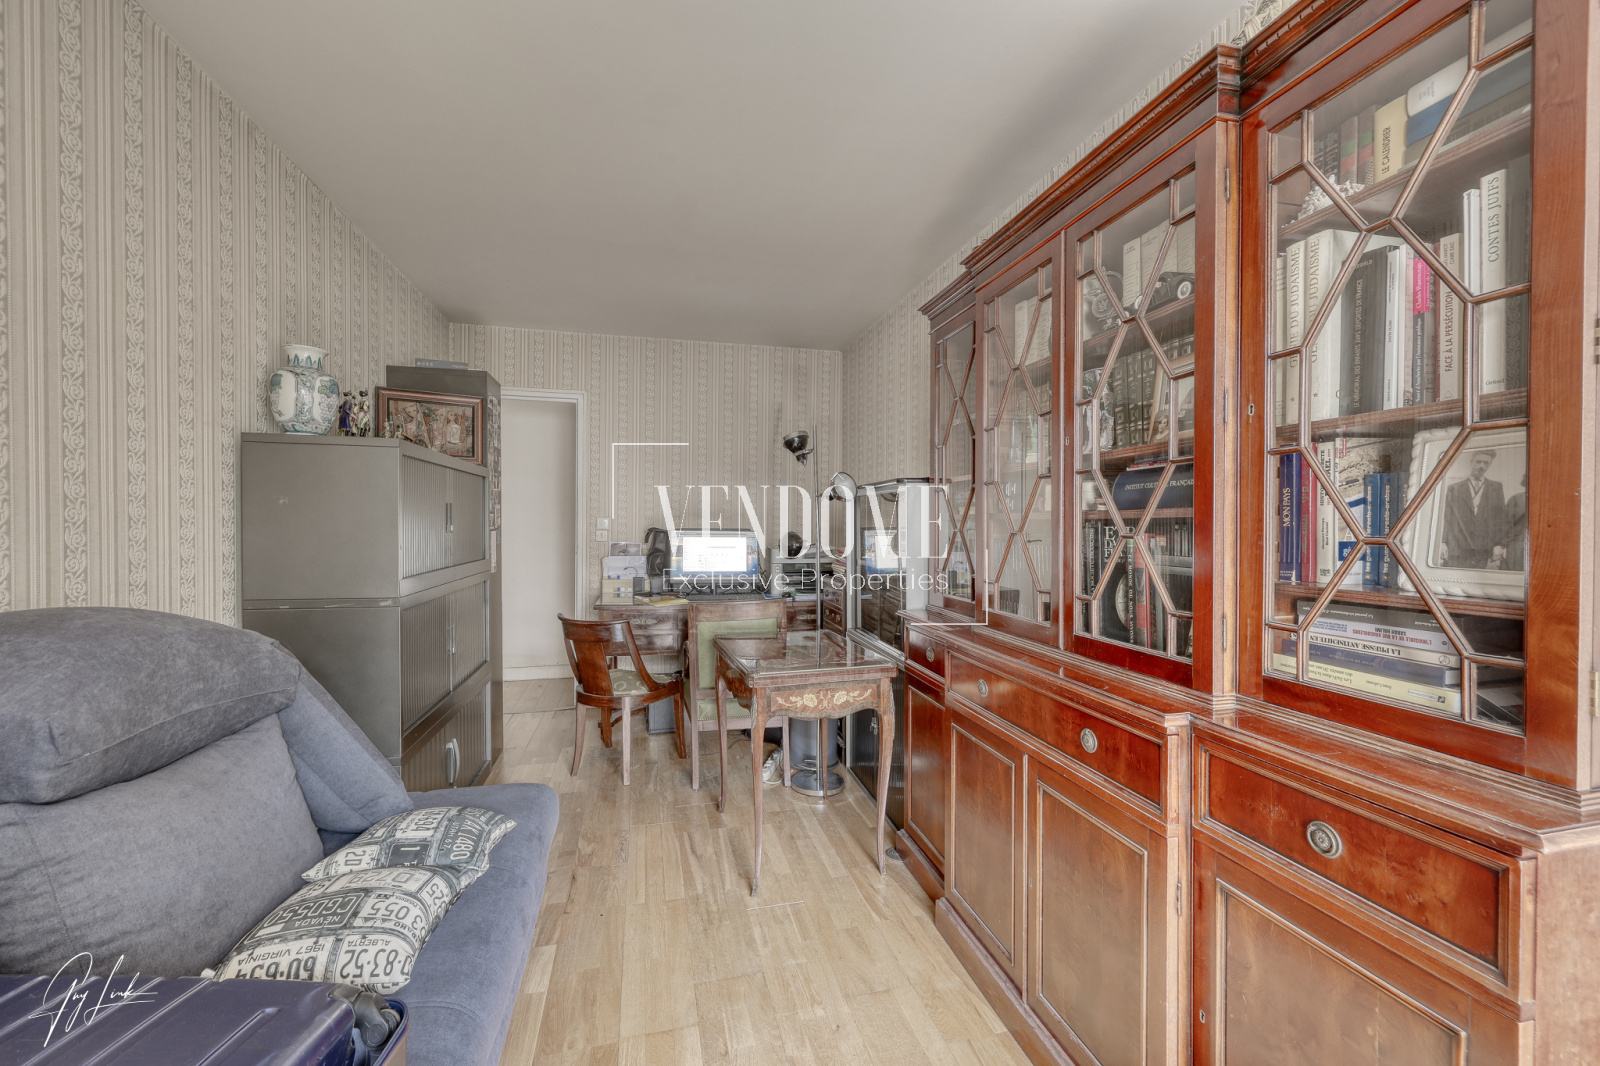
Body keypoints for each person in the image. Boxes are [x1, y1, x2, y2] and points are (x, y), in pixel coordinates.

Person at [1439, 449, 1507, 569]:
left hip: (1482, 548)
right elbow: (1447, 517)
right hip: (1457, 547)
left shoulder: (1496, 487)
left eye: (1486, 463)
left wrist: (1499, 544)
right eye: (1478, 462)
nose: (1481, 466)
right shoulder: (1454, 488)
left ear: (1490, 464)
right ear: (1471, 462)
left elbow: (1500, 518)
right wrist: (1443, 542)